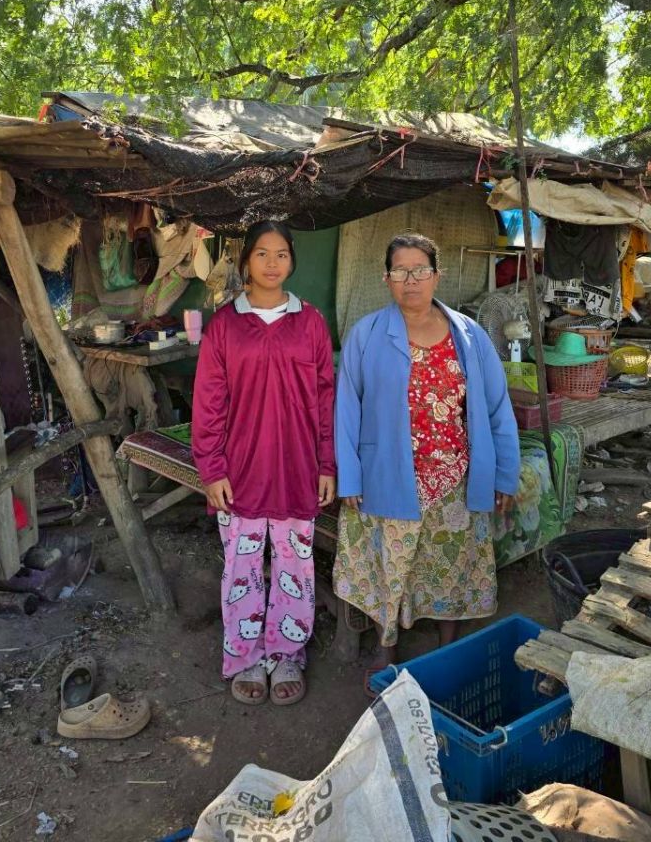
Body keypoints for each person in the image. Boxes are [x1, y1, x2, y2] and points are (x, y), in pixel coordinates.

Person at [333, 232, 520, 690]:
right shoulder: (366, 334)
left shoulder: (469, 335)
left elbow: (497, 408)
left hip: (455, 476)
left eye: (420, 270)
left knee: (451, 565)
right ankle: (387, 649)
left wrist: (504, 474)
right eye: (400, 271)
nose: (411, 280)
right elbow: (347, 409)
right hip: (387, 475)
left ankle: (445, 648)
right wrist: (349, 477)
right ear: (386, 278)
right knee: (389, 566)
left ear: (438, 276)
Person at [192, 220, 336, 706]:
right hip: (241, 471)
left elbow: (325, 397)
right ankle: (246, 656)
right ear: (245, 261)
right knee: (242, 567)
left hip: (297, 468)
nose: (272, 264)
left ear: (292, 261)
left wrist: (327, 464)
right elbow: (208, 403)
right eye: (262, 254)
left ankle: (287, 653)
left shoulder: (310, 322)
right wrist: (212, 469)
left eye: (281, 254)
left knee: (295, 566)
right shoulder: (225, 325)